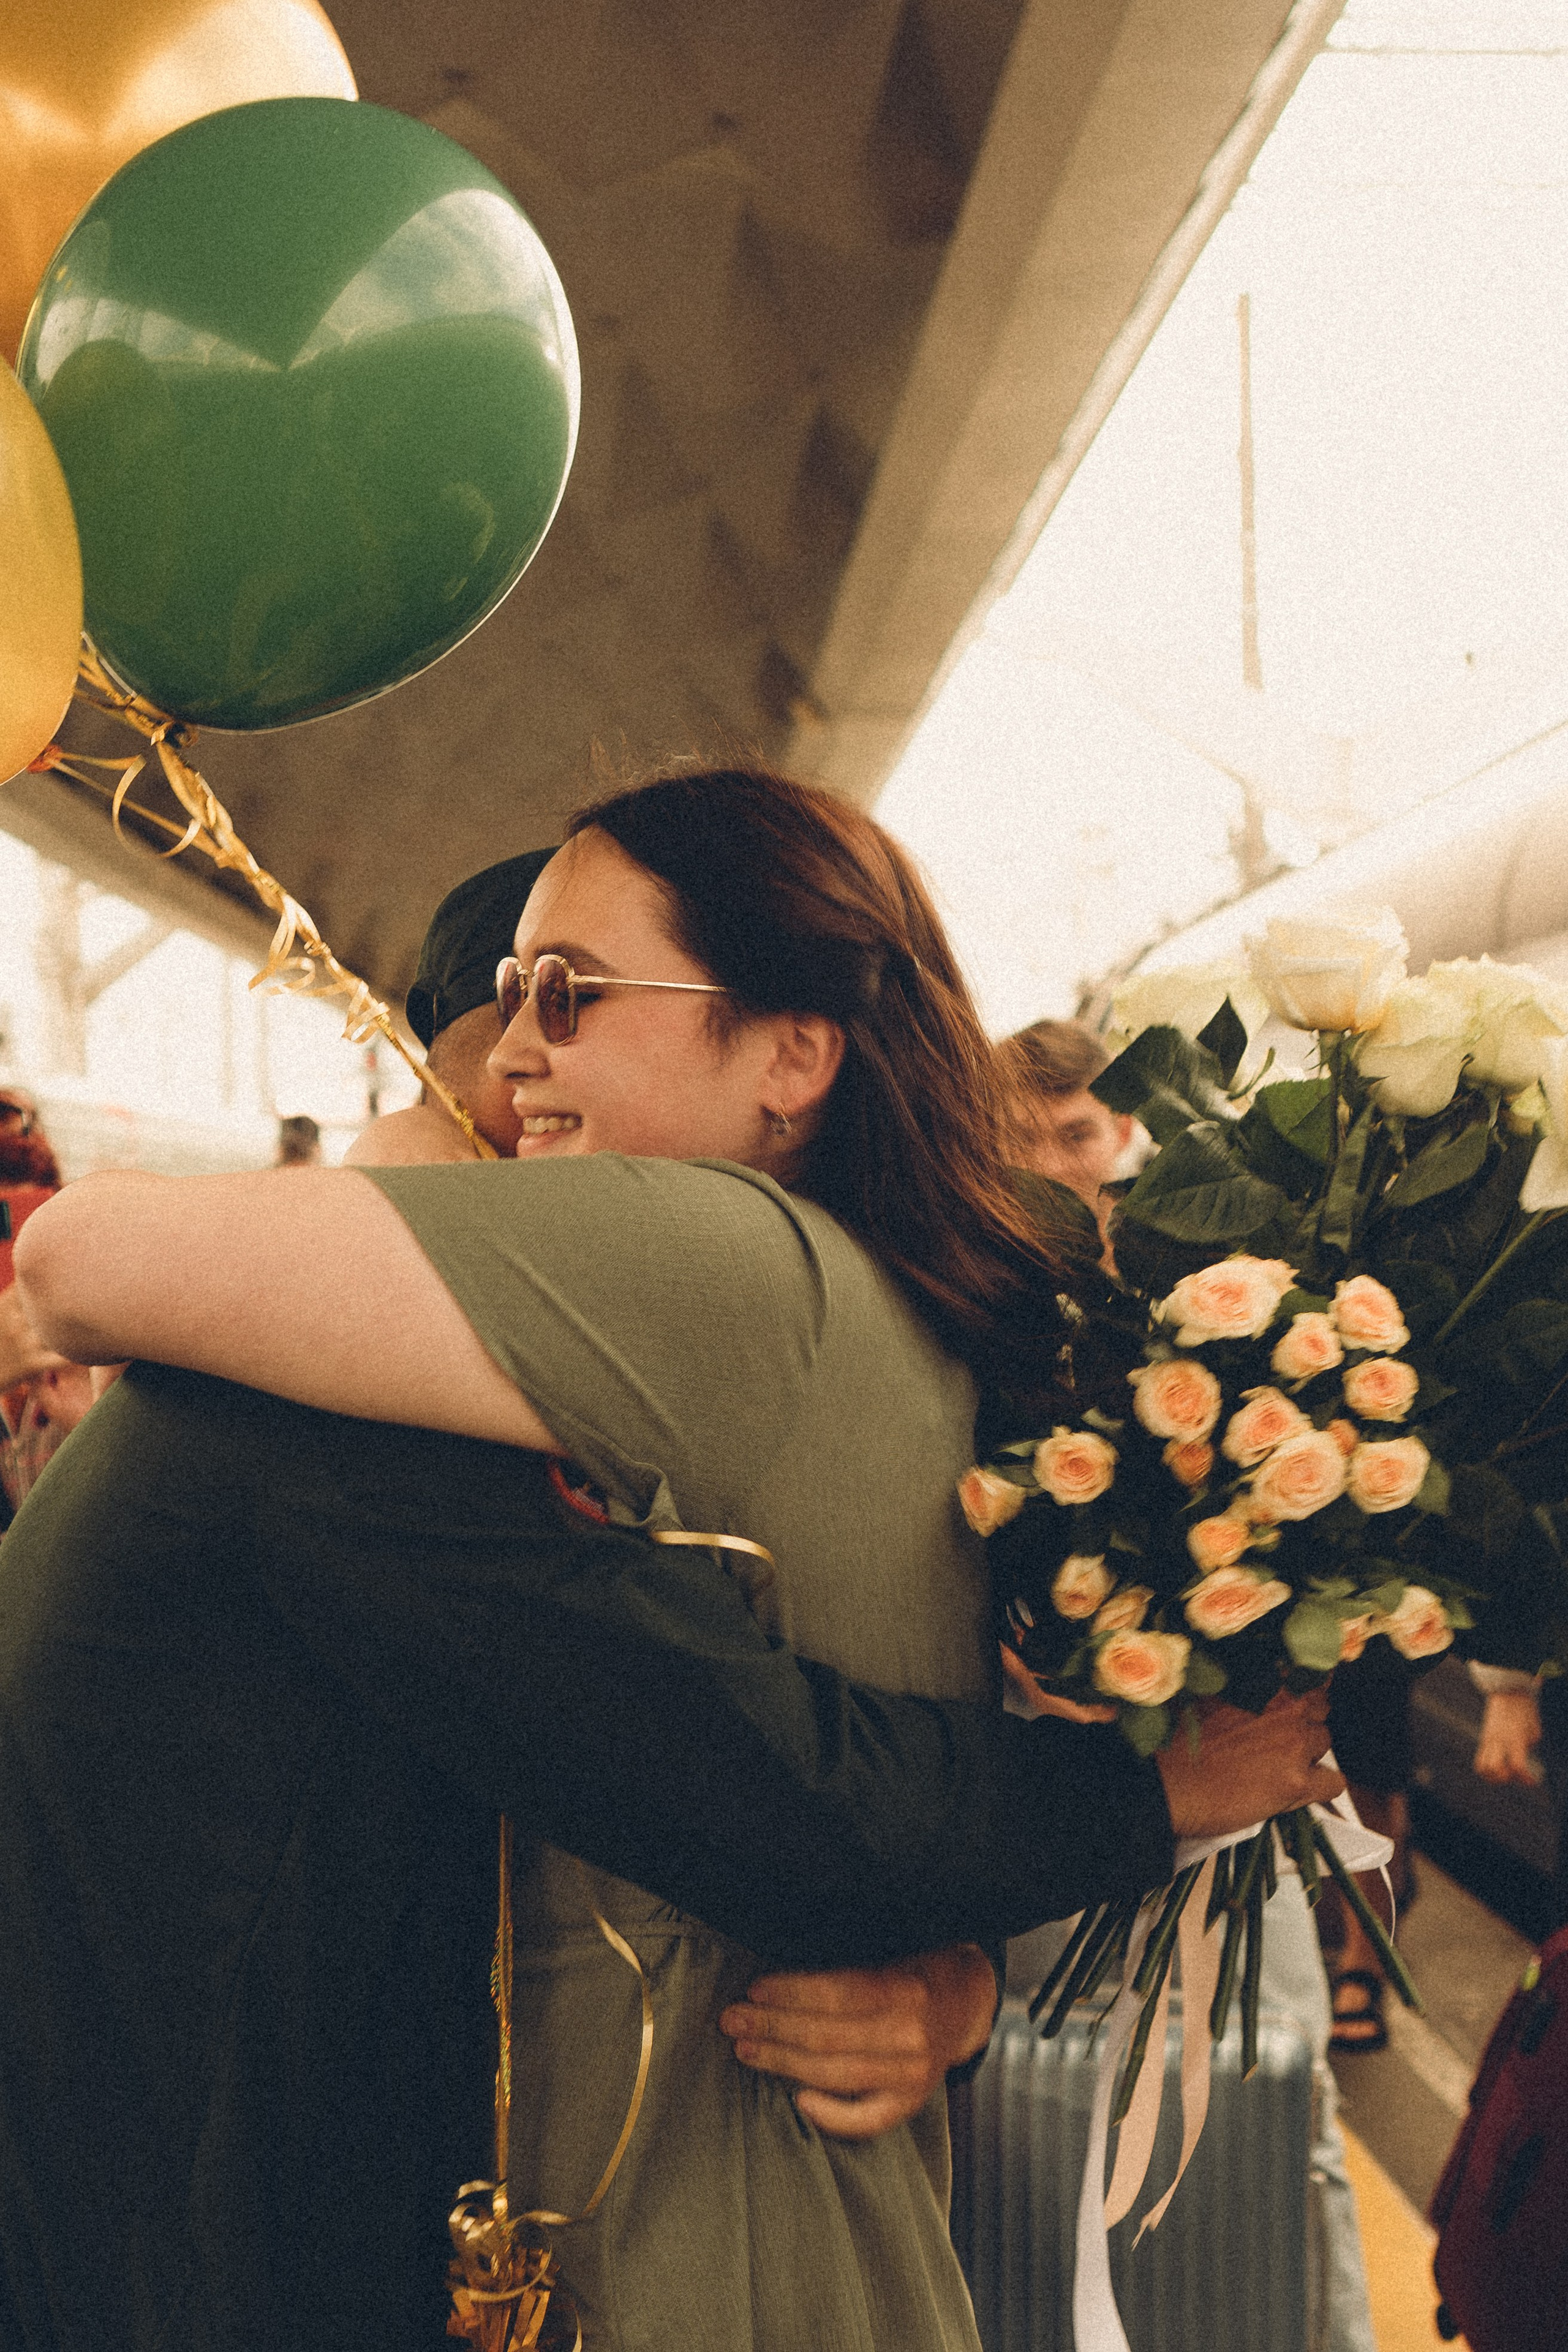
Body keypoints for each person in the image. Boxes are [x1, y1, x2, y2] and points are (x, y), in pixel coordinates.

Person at [11, 773, 1341, 2351]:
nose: (518, 1066)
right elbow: (800, 1753)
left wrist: (1002, 1941)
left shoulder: (725, 1266)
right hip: (586, 2170)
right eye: (504, 1010)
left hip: (626, 2194)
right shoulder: (858, 1302)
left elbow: (781, 1781)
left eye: (566, 998)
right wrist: (980, 1966)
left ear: (795, 1050)